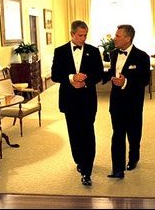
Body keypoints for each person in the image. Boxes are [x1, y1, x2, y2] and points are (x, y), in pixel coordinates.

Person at [51, 20, 104, 186]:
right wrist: (71, 78)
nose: (83, 38)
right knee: (74, 133)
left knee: (88, 133)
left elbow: (99, 74)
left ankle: (87, 169)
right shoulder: (60, 51)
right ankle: (80, 161)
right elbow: (55, 75)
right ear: (72, 34)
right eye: (80, 35)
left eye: (85, 35)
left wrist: (85, 81)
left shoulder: (94, 51)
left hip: (88, 99)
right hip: (69, 100)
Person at [103, 24, 150, 179]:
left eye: (118, 36)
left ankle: (134, 158)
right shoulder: (113, 54)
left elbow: (144, 80)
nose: (114, 38)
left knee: (134, 134)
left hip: (133, 103)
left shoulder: (142, 56)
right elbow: (110, 72)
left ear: (127, 38)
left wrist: (125, 81)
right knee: (117, 134)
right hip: (116, 102)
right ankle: (117, 169)